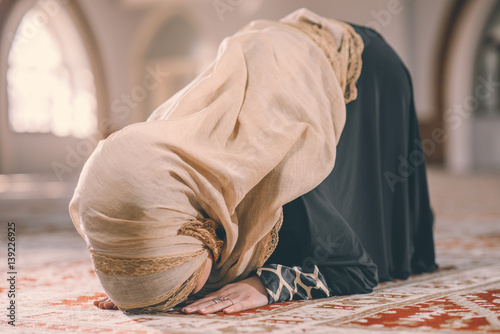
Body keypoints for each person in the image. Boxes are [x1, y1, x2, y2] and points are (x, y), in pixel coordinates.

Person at [70, 8, 437, 315]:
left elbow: (355, 268)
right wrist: (134, 283)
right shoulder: (163, 167)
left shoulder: (272, 163)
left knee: (367, 219)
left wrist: (266, 284)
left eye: (180, 290)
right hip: (275, 47)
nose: (182, 300)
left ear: (195, 233)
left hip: (363, 64)